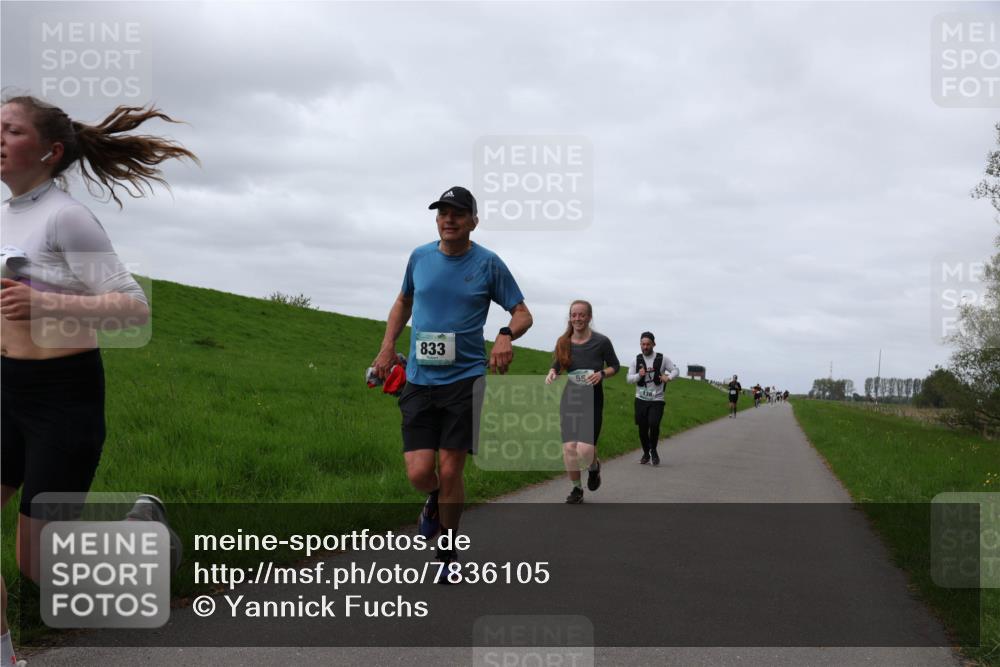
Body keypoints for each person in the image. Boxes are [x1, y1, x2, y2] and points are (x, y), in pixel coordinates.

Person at [1, 95, 197, 665]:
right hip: (6, 389)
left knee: (38, 566)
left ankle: (145, 540)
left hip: (63, 399)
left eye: (10, 131)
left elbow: (134, 310)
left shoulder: (66, 216)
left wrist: (43, 301)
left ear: (49, 151)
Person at [371, 186, 531, 579]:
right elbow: (403, 302)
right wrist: (387, 347)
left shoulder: (488, 264)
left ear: (473, 221)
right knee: (419, 472)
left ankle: (447, 552)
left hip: (465, 379)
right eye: (443, 212)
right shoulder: (419, 257)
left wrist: (506, 334)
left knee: (451, 467)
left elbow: (522, 312)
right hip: (420, 378)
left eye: (458, 213)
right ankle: (432, 498)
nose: (449, 219)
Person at [545, 300, 620, 503]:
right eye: (574, 315)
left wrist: (602, 374)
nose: (577, 318)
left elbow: (615, 365)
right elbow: (557, 364)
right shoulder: (564, 342)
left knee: (585, 450)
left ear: (589, 317)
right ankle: (576, 490)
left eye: (581, 315)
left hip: (593, 399)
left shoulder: (601, 342)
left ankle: (594, 468)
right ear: (570, 317)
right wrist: (552, 373)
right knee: (569, 448)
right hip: (571, 398)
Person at [625, 331, 678, 465]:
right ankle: (646, 453)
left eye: (648, 344)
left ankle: (653, 451)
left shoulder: (662, 358)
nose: (645, 347)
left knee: (654, 424)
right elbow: (628, 379)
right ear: (640, 345)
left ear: (653, 344)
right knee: (642, 429)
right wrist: (639, 375)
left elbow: (675, 370)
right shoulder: (635, 360)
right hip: (640, 399)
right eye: (643, 344)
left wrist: (668, 377)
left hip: (657, 399)